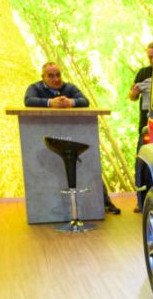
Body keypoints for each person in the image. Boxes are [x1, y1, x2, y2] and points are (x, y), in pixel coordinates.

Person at [24, 62, 120, 214]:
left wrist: (71, 102)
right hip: (48, 139)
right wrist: (50, 103)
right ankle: (55, 209)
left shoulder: (69, 88)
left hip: (75, 136)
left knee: (91, 165)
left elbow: (85, 101)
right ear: (43, 78)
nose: (56, 79)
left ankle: (103, 203)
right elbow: (29, 101)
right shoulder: (35, 88)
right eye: (51, 76)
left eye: (58, 75)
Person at [128, 41, 153, 212]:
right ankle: (142, 200)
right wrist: (134, 92)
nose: (152, 60)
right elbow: (131, 97)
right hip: (145, 125)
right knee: (143, 162)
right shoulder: (143, 73)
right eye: (150, 57)